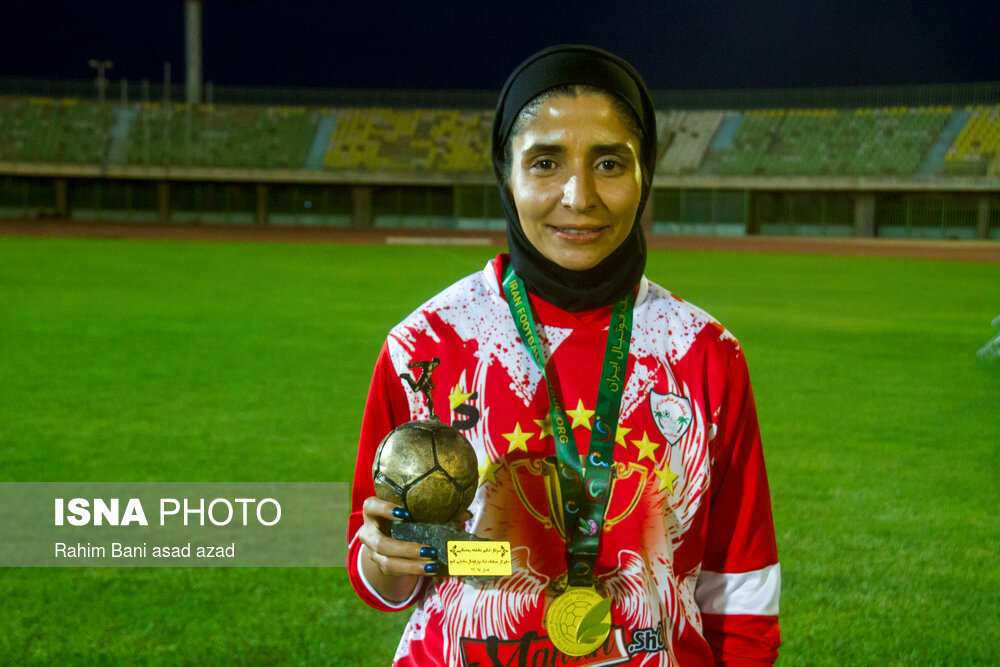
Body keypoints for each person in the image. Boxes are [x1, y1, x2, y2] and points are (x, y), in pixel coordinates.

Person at [347, 44, 781, 666]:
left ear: (645, 173)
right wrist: (385, 559)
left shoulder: (705, 354)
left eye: (609, 163)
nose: (579, 197)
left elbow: (741, 593)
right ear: (506, 173)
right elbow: (386, 570)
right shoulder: (426, 345)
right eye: (546, 162)